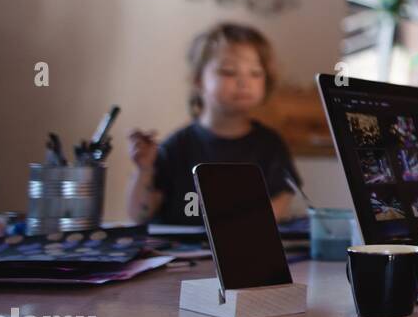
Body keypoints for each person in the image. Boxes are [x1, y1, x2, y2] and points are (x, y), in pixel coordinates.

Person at [126, 22, 299, 225]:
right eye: (228, 72)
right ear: (199, 80)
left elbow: (281, 200)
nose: (244, 82)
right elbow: (139, 216)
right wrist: (144, 169)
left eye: (255, 73)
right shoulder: (177, 146)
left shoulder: (271, 145)